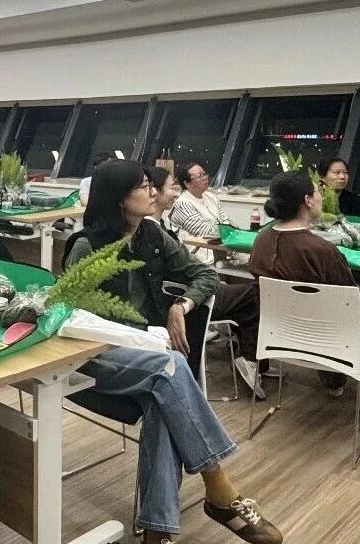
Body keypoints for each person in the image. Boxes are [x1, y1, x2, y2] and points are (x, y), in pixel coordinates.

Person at [63, 160, 281, 544]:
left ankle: (157, 531)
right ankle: (219, 488)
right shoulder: (87, 247)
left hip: (147, 354)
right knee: (172, 366)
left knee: (162, 402)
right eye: (143, 186)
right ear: (119, 199)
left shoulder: (150, 234)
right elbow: (75, 320)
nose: (153, 192)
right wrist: (133, 337)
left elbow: (205, 274)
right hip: (96, 357)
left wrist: (182, 305)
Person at [249, 171, 360, 407]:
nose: (321, 196)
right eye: (318, 191)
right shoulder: (323, 251)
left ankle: (334, 383)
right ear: (307, 201)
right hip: (326, 341)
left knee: (319, 312)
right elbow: (353, 308)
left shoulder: (261, 240)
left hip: (280, 336)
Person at [169, 162, 232, 265]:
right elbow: (206, 233)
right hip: (197, 258)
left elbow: (226, 220)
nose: (205, 178)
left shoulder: (211, 197)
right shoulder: (183, 204)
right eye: (200, 176)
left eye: (204, 173)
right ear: (187, 183)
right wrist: (226, 230)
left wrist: (227, 229)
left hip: (220, 250)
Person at [144, 166, 182, 238]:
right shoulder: (149, 232)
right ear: (155, 191)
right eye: (172, 188)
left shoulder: (160, 224)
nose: (176, 194)